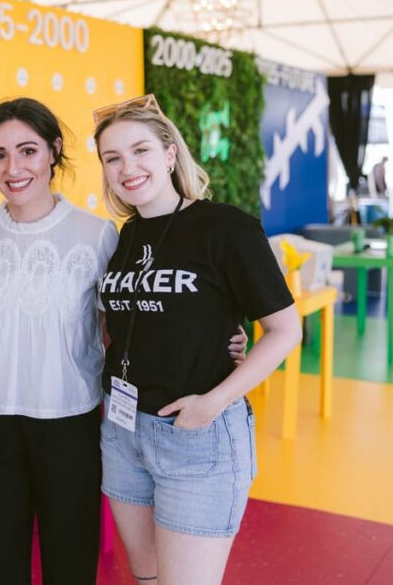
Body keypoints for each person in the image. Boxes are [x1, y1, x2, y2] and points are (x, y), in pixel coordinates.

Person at [0, 98, 247, 584]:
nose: (14, 168)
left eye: (27, 150)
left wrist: (225, 335)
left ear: (53, 151)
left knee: (70, 559)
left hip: (71, 418)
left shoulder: (98, 235)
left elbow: (127, 315)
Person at [93, 94, 301, 585]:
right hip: (123, 432)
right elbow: (118, 323)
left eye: (141, 150)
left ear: (169, 153)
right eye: (113, 157)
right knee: (145, 578)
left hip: (198, 436)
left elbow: (286, 329)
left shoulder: (225, 227)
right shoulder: (122, 238)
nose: (128, 167)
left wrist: (214, 402)